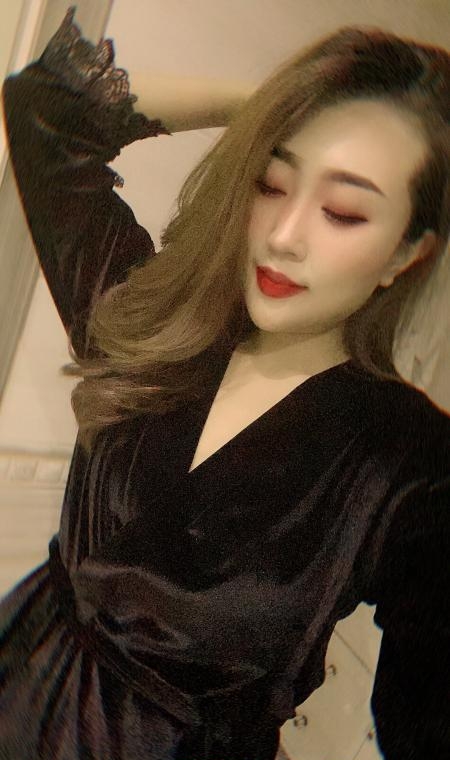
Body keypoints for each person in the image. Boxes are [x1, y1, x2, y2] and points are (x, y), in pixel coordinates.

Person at [0, 5, 449, 759]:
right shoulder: (155, 324)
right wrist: (265, 110)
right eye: (272, 182)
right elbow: (46, 108)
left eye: (343, 212)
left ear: (407, 254)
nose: (283, 235)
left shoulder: (408, 464)